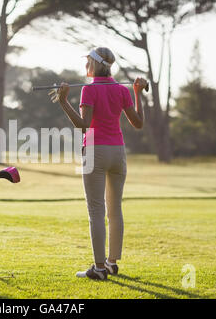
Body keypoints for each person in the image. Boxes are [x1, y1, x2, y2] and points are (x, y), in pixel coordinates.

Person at [56, 47, 147, 280]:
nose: (85, 66)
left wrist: (64, 101)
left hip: (96, 150)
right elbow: (138, 123)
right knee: (114, 210)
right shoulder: (121, 90)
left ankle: (98, 269)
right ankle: (111, 263)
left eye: (87, 62)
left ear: (93, 65)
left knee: (96, 210)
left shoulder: (89, 89)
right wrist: (138, 93)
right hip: (118, 152)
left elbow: (83, 125)